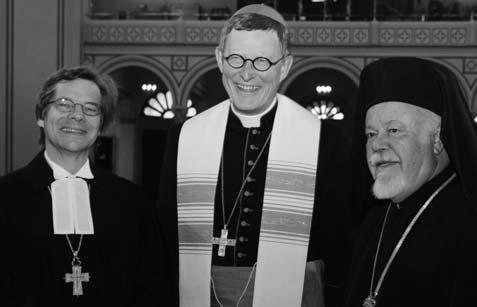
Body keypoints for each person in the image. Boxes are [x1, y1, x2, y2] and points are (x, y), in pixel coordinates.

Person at [158, 4, 352, 307]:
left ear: (284, 67)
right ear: (220, 59)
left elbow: (338, 237)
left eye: (262, 61)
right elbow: (167, 231)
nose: (246, 73)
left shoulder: (322, 139)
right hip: (203, 289)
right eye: (236, 58)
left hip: (296, 289)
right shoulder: (185, 135)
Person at [0, 66, 173, 306]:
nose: (77, 116)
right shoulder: (6, 197)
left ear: (101, 125)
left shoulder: (133, 203)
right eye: (64, 104)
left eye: (90, 108)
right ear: (41, 115)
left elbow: (154, 291)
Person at [343, 57, 477, 307]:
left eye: (394, 130)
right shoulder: (373, 219)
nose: (377, 144)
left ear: (437, 138)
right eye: (371, 134)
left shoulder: (469, 226)